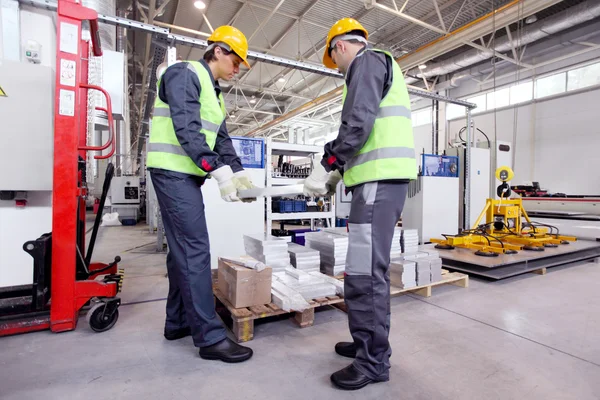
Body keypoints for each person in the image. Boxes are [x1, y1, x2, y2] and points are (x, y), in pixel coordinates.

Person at [303, 18, 417, 390]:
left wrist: (327, 164)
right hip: (376, 181)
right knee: (365, 267)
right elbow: (364, 131)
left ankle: (372, 362)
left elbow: (357, 124)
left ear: (339, 47)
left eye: (334, 60)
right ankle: (366, 342)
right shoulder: (381, 65)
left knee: (365, 271)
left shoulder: (366, 62)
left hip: (377, 182)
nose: (337, 69)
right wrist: (339, 174)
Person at [147, 25, 256, 363]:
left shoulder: (215, 94)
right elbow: (186, 126)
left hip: (186, 175)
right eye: (236, 60)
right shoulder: (184, 73)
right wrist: (215, 168)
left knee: (181, 250)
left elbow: (220, 139)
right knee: (196, 248)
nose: (237, 68)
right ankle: (209, 339)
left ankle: (177, 321)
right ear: (219, 50)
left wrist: (237, 172)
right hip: (172, 171)